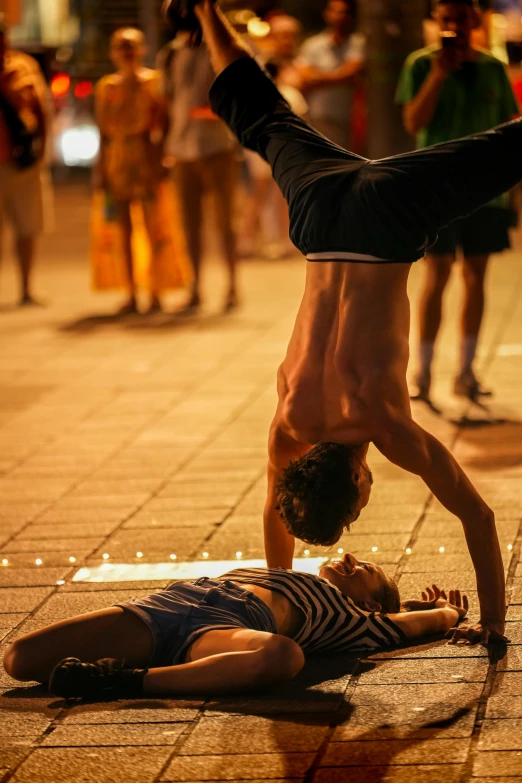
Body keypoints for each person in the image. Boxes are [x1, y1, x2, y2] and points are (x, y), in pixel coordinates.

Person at [163, 0, 522, 646]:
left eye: (359, 501)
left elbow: (478, 513)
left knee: (513, 146)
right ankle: (206, 9)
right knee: (262, 113)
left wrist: (493, 624)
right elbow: (275, 513)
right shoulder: (289, 424)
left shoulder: (384, 423)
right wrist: (280, 594)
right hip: (321, 219)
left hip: (387, 220)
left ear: (358, 479)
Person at [3, 553, 469, 699]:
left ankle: (121, 681)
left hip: (227, 627)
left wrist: (447, 614)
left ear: (368, 602)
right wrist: (404, 602)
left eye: (363, 567)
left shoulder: (354, 620)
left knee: (284, 656)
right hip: (170, 603)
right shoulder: (292, 572)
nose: (348, 557)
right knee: (19, 659)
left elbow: (420, 624)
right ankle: (135, 665)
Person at [397, 0, 519, 402]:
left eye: (462, 20)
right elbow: (414, 122)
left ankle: (466, 372)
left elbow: (510, 129)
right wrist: (438, 75)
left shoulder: (492, 68)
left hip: (487, 191)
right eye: (447, 20)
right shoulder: (420, 64)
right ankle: (424, 372)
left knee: (476, 277)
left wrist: (513, 195)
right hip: (437, 191)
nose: (455, 27)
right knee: (438, 274)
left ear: (476, 22)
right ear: (436, 22)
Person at [93, 28, 191, 315]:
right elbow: (102, 132)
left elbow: (167, 122)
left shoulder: (154, 83)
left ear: (142, 50)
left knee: (155, 228)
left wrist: (164, 158)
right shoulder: (106, 87)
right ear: (112, 52)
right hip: (117, 161)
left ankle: (156, 290)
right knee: (122, 230)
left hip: (147, 157)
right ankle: (131, 291)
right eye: (121, 46)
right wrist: (99, 170)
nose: (126, 52)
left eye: (131, 46)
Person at [159, 35, 239, 312]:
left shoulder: (222, 47)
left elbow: (240, 95)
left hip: (217, 146)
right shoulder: (170, 53)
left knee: (225, 222)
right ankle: (194, 287)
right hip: (181, 149)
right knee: (188, 224)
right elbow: (168, 101)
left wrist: (216, 112)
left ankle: (232, 286)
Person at [0, 13, 51, 307]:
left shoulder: (23, 67)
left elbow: (41, 110)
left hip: (22, 161)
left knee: (27, 228)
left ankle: (26, 288)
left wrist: (43, 151)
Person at [294, 0, 365, 150]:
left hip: (352, 118)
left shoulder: (358, 43)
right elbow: (304, 78)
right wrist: (342, 76)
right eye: (335, 11)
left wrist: (318, 77)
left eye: (344, 12)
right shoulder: (312, 45)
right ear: (326, 14)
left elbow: (352, 72)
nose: (339, 16)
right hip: (319, 116)